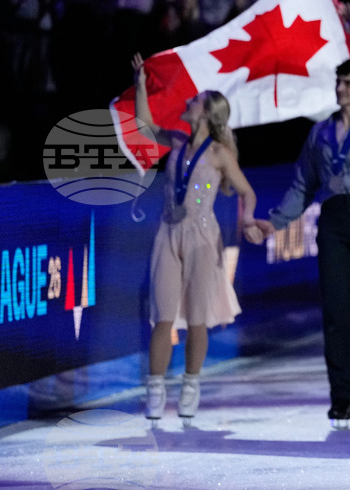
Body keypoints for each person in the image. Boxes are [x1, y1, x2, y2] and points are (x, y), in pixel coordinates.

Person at [260, 3, 350, 428]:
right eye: (338, 82)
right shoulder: (320, 132)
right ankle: (341, 398)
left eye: (348, 82)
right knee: (336, 311)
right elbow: (303, 185)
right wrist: (274, 221)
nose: (340, 88)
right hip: (335, 218)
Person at [131, 52, 265, 425]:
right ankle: (155, 390)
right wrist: (140, 85)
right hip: (168, 232)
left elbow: (247, 191)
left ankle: (191, 386)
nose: (188, 101)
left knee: (197, 318)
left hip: (203, 237)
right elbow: (144, 127)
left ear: (205, 113)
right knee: (162, 316)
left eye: (195, 100)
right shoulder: (176, 140)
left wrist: (248, 217)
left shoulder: (220, 153)